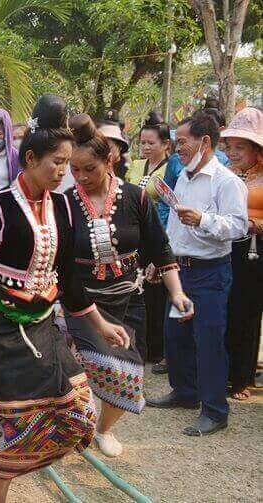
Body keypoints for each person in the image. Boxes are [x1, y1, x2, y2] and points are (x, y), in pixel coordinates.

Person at [0, 94, 129, 502]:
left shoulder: (63, 207)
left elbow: (68, 276)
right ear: (29, 159)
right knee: (16, 421)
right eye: (57, 163)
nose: (64, 172)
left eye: (67, 163)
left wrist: (100, 323)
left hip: (44, 326)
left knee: (77, 412)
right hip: (1, 329)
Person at [63, 113, 192, 457]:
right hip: (81, 302)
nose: (81, 177)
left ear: (110, 160)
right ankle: (77, 424)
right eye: (74, 170)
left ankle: (103, 429)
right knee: (81, 369)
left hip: (127, 300)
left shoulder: (136, 198)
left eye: (89, 168)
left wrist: (177, 292)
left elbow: (160, 249)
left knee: (129, 373)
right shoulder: (65, 203)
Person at [147, 110, 248, 437]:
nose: (177, 148)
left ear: (205, 142)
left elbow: (237, 226)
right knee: (176, 337)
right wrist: (161, 260)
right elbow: (174, 222)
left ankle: (215, 410)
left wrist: (202, 219)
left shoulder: (227, 182)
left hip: (210, 274)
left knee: (208, 341)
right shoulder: (184, 176)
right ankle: (185, 392)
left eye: (183, 142)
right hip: (180, 270)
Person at [221, 107, 262, 401]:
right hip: (228, 248)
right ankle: (225, 372)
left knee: (248, 313)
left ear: (256, 148)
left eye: (240, 147)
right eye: (229, 147)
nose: (233, 153)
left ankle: (242, 378)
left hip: (256, 253)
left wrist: (254, 224)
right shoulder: (226, 174)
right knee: (228, 310)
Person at [126, 111, 173, 364]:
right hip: (135, 238)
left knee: (156, 294)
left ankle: (157, 348)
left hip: (157, 235)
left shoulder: (171, 168)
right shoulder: (135, 165)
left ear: (165, 144)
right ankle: (139, 345)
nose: (145, 147)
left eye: (151, 143)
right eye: (142, 142)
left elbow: (169, 207)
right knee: (137, 291)